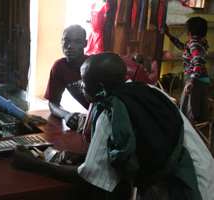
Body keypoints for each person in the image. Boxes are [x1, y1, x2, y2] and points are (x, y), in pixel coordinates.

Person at [13, 53, 214, 199]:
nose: (81, 86)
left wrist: (33, 164)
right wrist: (87, 156)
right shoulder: (150, 92)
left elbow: (89, 177)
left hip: (185, 188)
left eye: (84, 81)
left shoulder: (110, 109)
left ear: (100, 87)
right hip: (204, 169)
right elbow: (145, 142)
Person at [45, 25, 158, 132]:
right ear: (61, 41)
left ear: (85, 43)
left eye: (77, 41)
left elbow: (120, 59)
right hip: (95, 117)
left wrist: (139, 56)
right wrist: (66, 115)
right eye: (67, 41)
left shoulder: (96, 64)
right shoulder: (59, 68)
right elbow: (53, 103)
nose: (70, 46)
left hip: (114, 117)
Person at [164, 17, 209, 127]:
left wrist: (192, 81)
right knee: (192, 112)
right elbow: (183, 47)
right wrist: (169, 35)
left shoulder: (193, 42)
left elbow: (198, 61)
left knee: (189, 113)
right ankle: (193, 139)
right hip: (202, 79)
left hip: (196, 80)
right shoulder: (199, 42)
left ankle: (191, 141)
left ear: (190, 29)